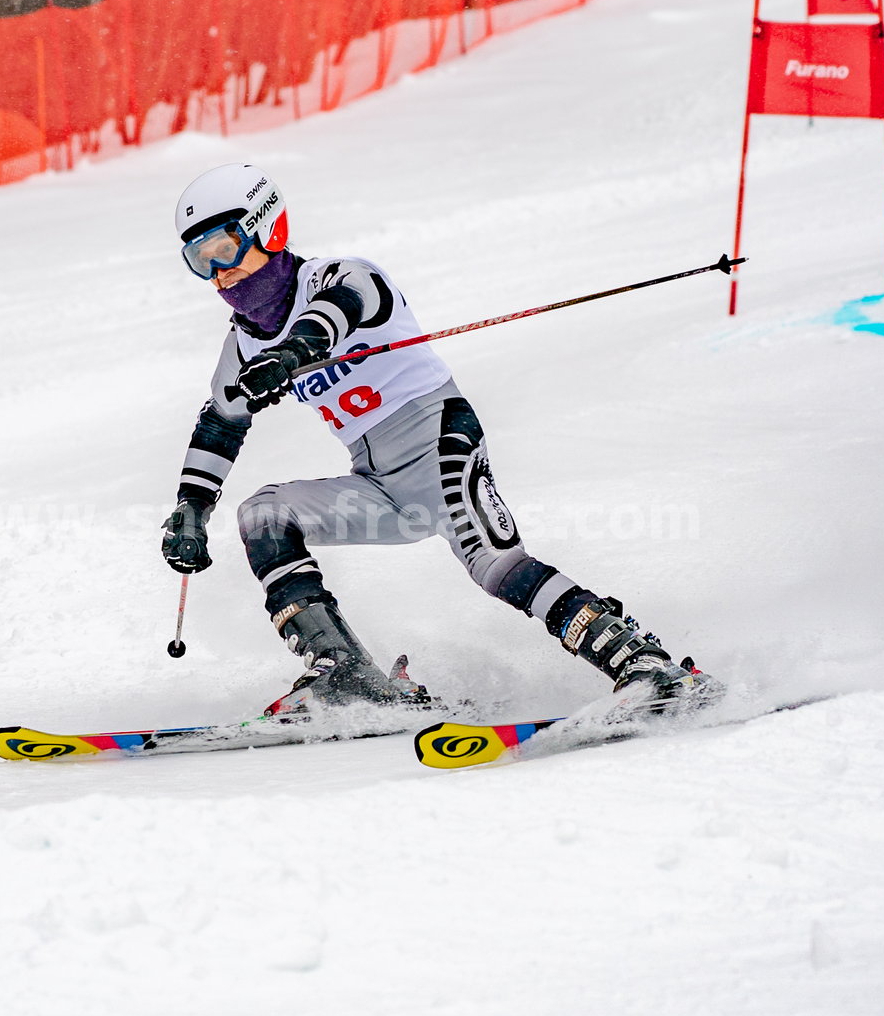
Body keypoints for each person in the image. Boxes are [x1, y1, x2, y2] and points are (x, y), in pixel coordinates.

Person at [161, 163, 712, 715]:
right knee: (262, 515)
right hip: (380, 490)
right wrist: (191, 508)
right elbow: (220, 423)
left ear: (268, 228)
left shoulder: (338, 277)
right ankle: (346, 674)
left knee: (498, 569)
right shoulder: (244, 343)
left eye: (225, 248)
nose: (218, 274)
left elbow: (343, 310)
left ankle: (644, 663)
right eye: (198, 260)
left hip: (443, 440)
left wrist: (295, 352)